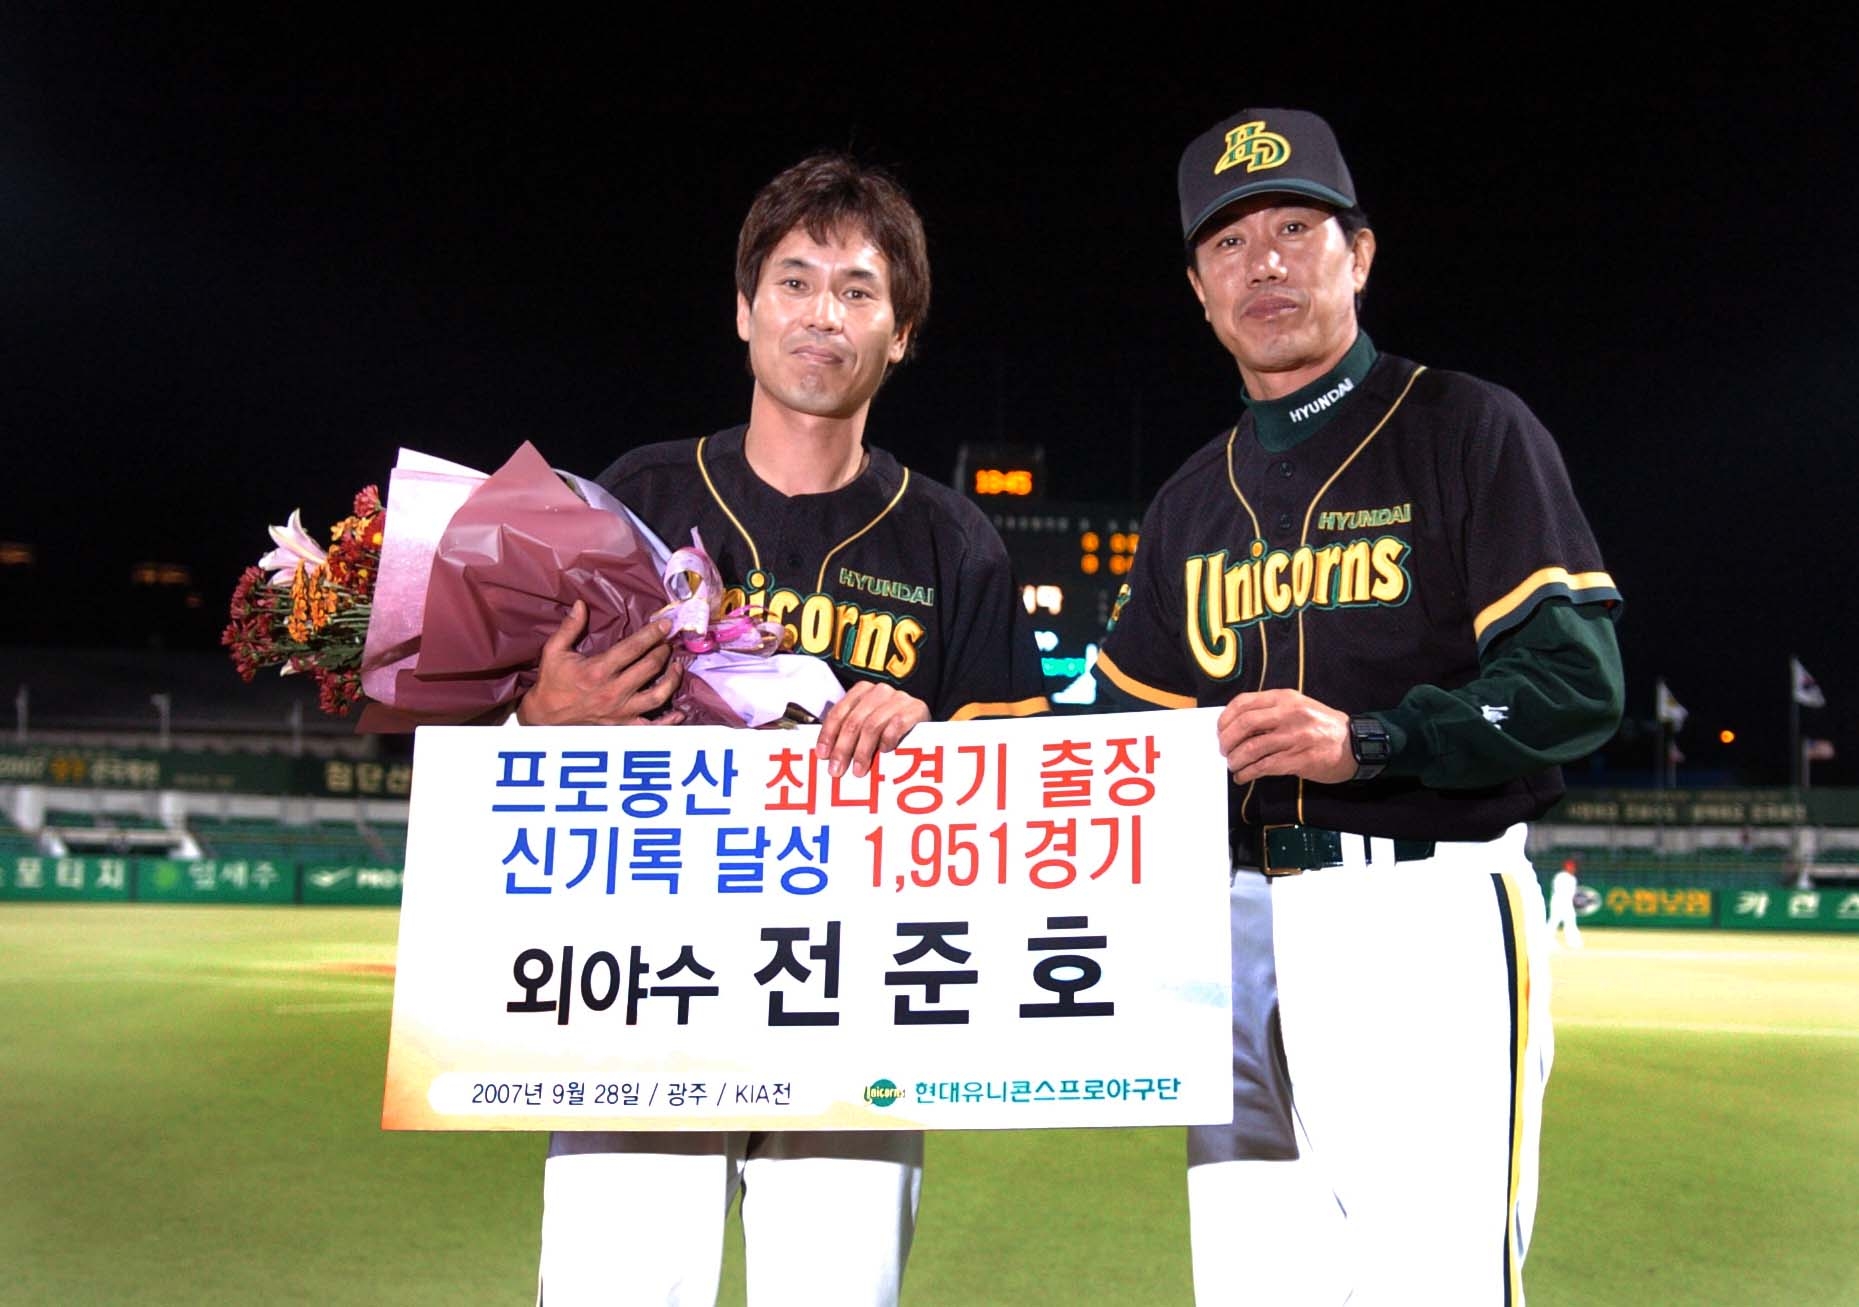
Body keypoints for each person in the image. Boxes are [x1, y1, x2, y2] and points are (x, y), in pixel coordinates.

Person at [1089, 107, 1625, 1304]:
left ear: (1359, 253)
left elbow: (1574, 680)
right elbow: (1106, 740)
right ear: (1197, 288)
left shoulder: (1465, 427)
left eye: (1295, 227)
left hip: (1418, 908)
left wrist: (1372, 738)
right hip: (1229, 938)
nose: (1264, 263)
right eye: (1229, 243)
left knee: (1431, 1283)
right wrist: (914, 734)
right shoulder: (1188, 502)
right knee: (1253, 1283)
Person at [519, 152, 1049, 1307]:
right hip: (643, 980)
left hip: (855, 998)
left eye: (858, 291)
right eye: (795, 281)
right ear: (744, 307)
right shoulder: (636, 496)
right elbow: (508, 740)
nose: (822, 314)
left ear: (900, 333)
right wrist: (537, 711)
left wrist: (932, 734)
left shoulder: (952, 541)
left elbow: (1021, 797)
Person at [1546, 857, 1585, 948]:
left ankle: (1574, 942)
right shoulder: (1560, 876)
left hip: (1566, 903)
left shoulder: (1572, 878)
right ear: (1567, 867)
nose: (1573, 869)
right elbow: (1558, 890)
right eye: (1571, 867)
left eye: (1573, 867)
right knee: (1554, 921)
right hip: (1559, 902)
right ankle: (1546, 940)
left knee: (1570, 922)